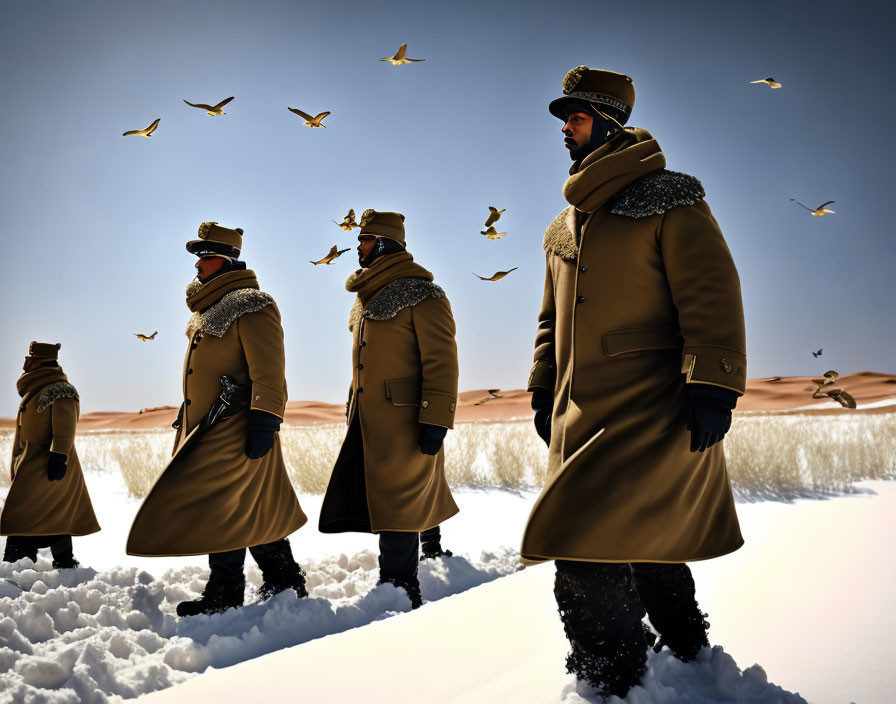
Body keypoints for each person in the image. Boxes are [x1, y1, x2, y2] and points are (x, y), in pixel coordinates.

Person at [522, 66, 747, 697]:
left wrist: (714, 385)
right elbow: (550, 319)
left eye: (576, 117)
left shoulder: (671, 197)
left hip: (654, 404)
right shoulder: (561, 227)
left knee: (584, 542)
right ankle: (686, 650)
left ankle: (612, 679)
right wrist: (544, 387)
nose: (564, 129)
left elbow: (711, 292)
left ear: (607, 121)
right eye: (564, 119)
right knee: (639, 536)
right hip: (579, 411)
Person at [127, 222, 308, 617]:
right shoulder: (206, 311)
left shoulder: (254, 305)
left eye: (205, 258)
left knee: (225, 507)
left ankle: (228, 592)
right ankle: (284, 581)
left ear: (225, 261)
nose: (198, 266)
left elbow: (270, 370)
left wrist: (265, 420)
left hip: (237, 425)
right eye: (197, 258)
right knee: (250, 507)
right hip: (207, 425)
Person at [319, 210, 459, 608]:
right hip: (368, 419)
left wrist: (435, 419)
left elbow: (442, 361)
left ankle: (399, 589)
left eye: (364, 240)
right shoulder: (364, 299)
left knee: (399, 503)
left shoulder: (424, 294)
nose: (357, 246)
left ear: (382, 243)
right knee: (386, 500)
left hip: (407, 419)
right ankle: (400, 580)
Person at [1, 342, 100, 567]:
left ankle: (17, 564)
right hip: (33, 461)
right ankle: (64, 562)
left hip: (49, 463)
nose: (26, 363)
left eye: (31, 358)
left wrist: (59, 457)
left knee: (26, 511)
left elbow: (65, 428)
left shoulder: (61, 390)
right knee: (53, 512)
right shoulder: (37, 388)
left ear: (42, 361)